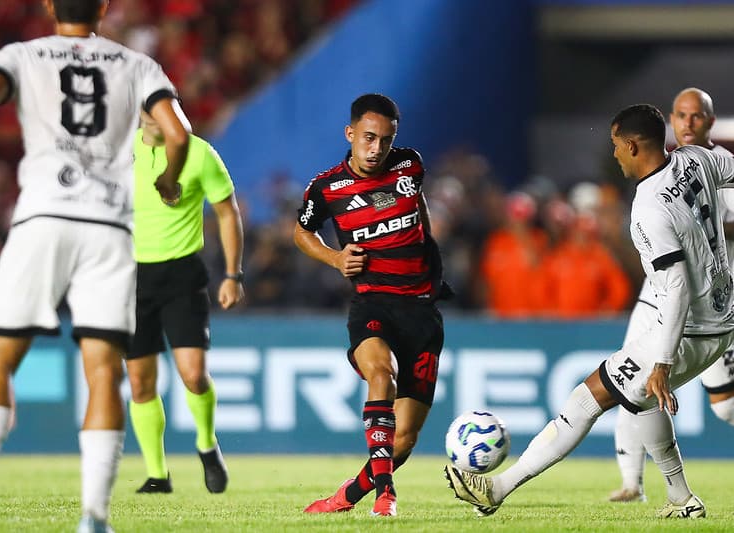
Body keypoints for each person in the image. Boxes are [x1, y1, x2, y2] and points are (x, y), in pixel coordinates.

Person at [0, 1, 189, 532]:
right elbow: (179, 134)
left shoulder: (21, 54)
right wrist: (167, 182)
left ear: (50, 5)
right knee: (102, 372)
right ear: (103, 6)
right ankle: (93, 517)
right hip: (108, 229)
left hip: (42, 220)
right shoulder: (138, 64)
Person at [445, 103, 734, 519]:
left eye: (617, 145)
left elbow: (675, 289)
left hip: (690, 328)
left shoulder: (648, 210)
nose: (614, 154)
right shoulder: (696, 159)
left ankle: (496, 488)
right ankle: (681, 498)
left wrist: (662, 361)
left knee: (586, 399)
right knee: (641, 402)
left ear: (634, 146)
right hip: (721, 318)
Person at [295, 93, 449, 517]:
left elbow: (418, 213)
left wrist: (431, 263)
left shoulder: (410, 166)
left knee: (404, 440)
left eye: (385, 139)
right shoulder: (326, 188)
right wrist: (335, 257)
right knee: (382, 375)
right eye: (368, 137)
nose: (376, 148)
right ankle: (386, 495)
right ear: (350, 134)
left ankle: (347, 496)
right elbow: (301, 233)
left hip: (421, 312)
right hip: (372, 304)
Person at [609, 88, 734, 503]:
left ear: (711, 122)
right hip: (661, 289)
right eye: (681, 115)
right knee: (628, 370)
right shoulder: (665, 171)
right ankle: (631, 483)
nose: (688, 123)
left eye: (697, 116)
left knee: (725, 406)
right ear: (670, 120)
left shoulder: (712, 164)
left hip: (711, 300)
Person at [126, 109, 244, 495]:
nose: (155, 117)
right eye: (149, 108)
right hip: (129, 278)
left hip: (181, 274)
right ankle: (157, 475)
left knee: (193, 374)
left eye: (163, 110)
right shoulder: (118, 150)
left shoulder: (199, 153)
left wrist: (232, 274)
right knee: (140, 383)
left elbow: (227, 212)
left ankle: (207, 444)